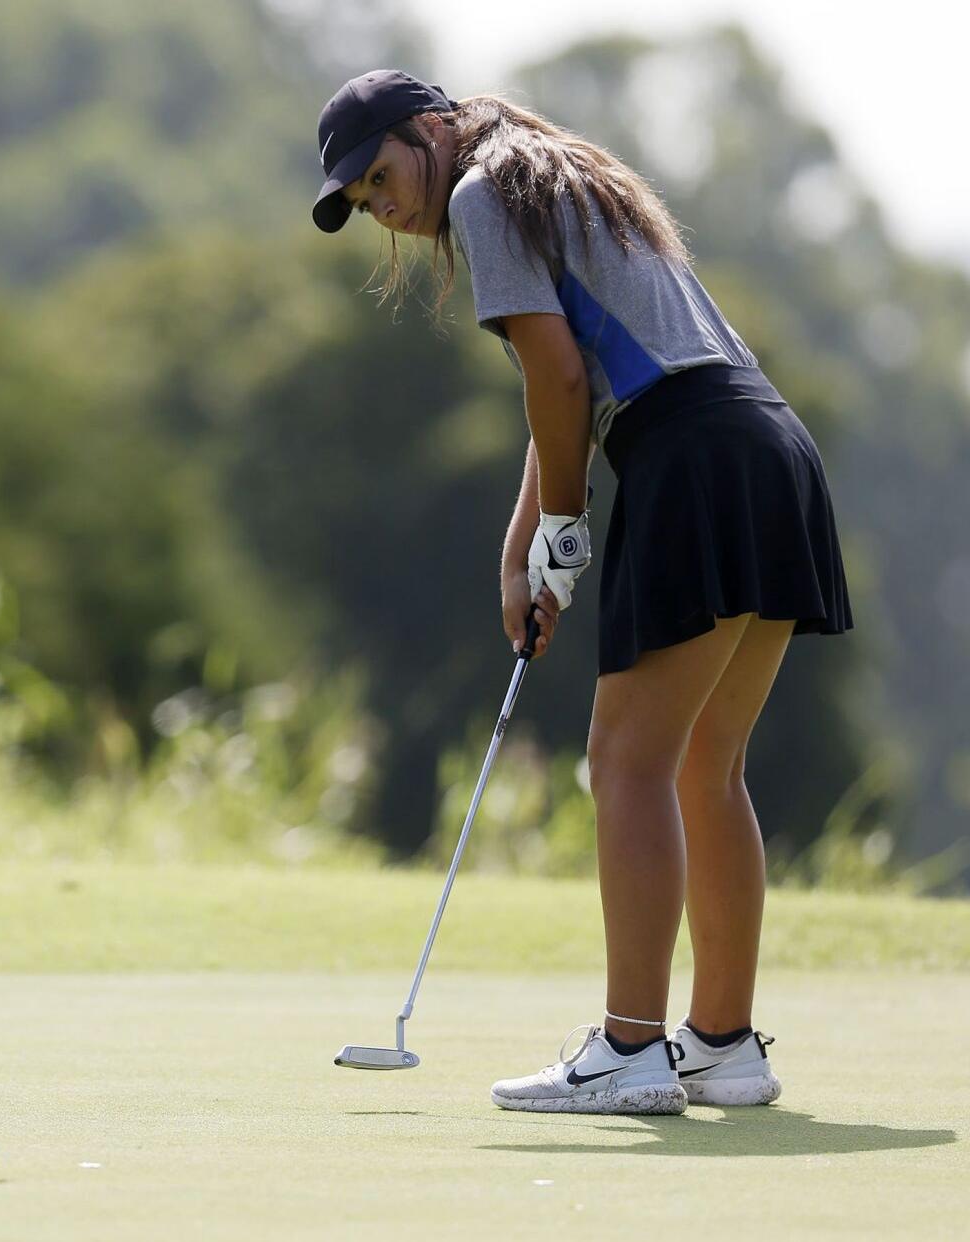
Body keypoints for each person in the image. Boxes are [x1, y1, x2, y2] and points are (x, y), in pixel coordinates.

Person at [311, 70, 853, 1114]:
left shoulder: (482, 195)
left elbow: (560, 383)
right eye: (363, 199)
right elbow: (562, 387)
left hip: (691, 456)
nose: (382, 205)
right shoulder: (555, 175)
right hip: (767, 447)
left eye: (380, 175)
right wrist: (527, 545)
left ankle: (630, 1050)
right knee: (705, 764)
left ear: (429, 128)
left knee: (624, 761)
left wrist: (567, 521)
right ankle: (723, 1047)